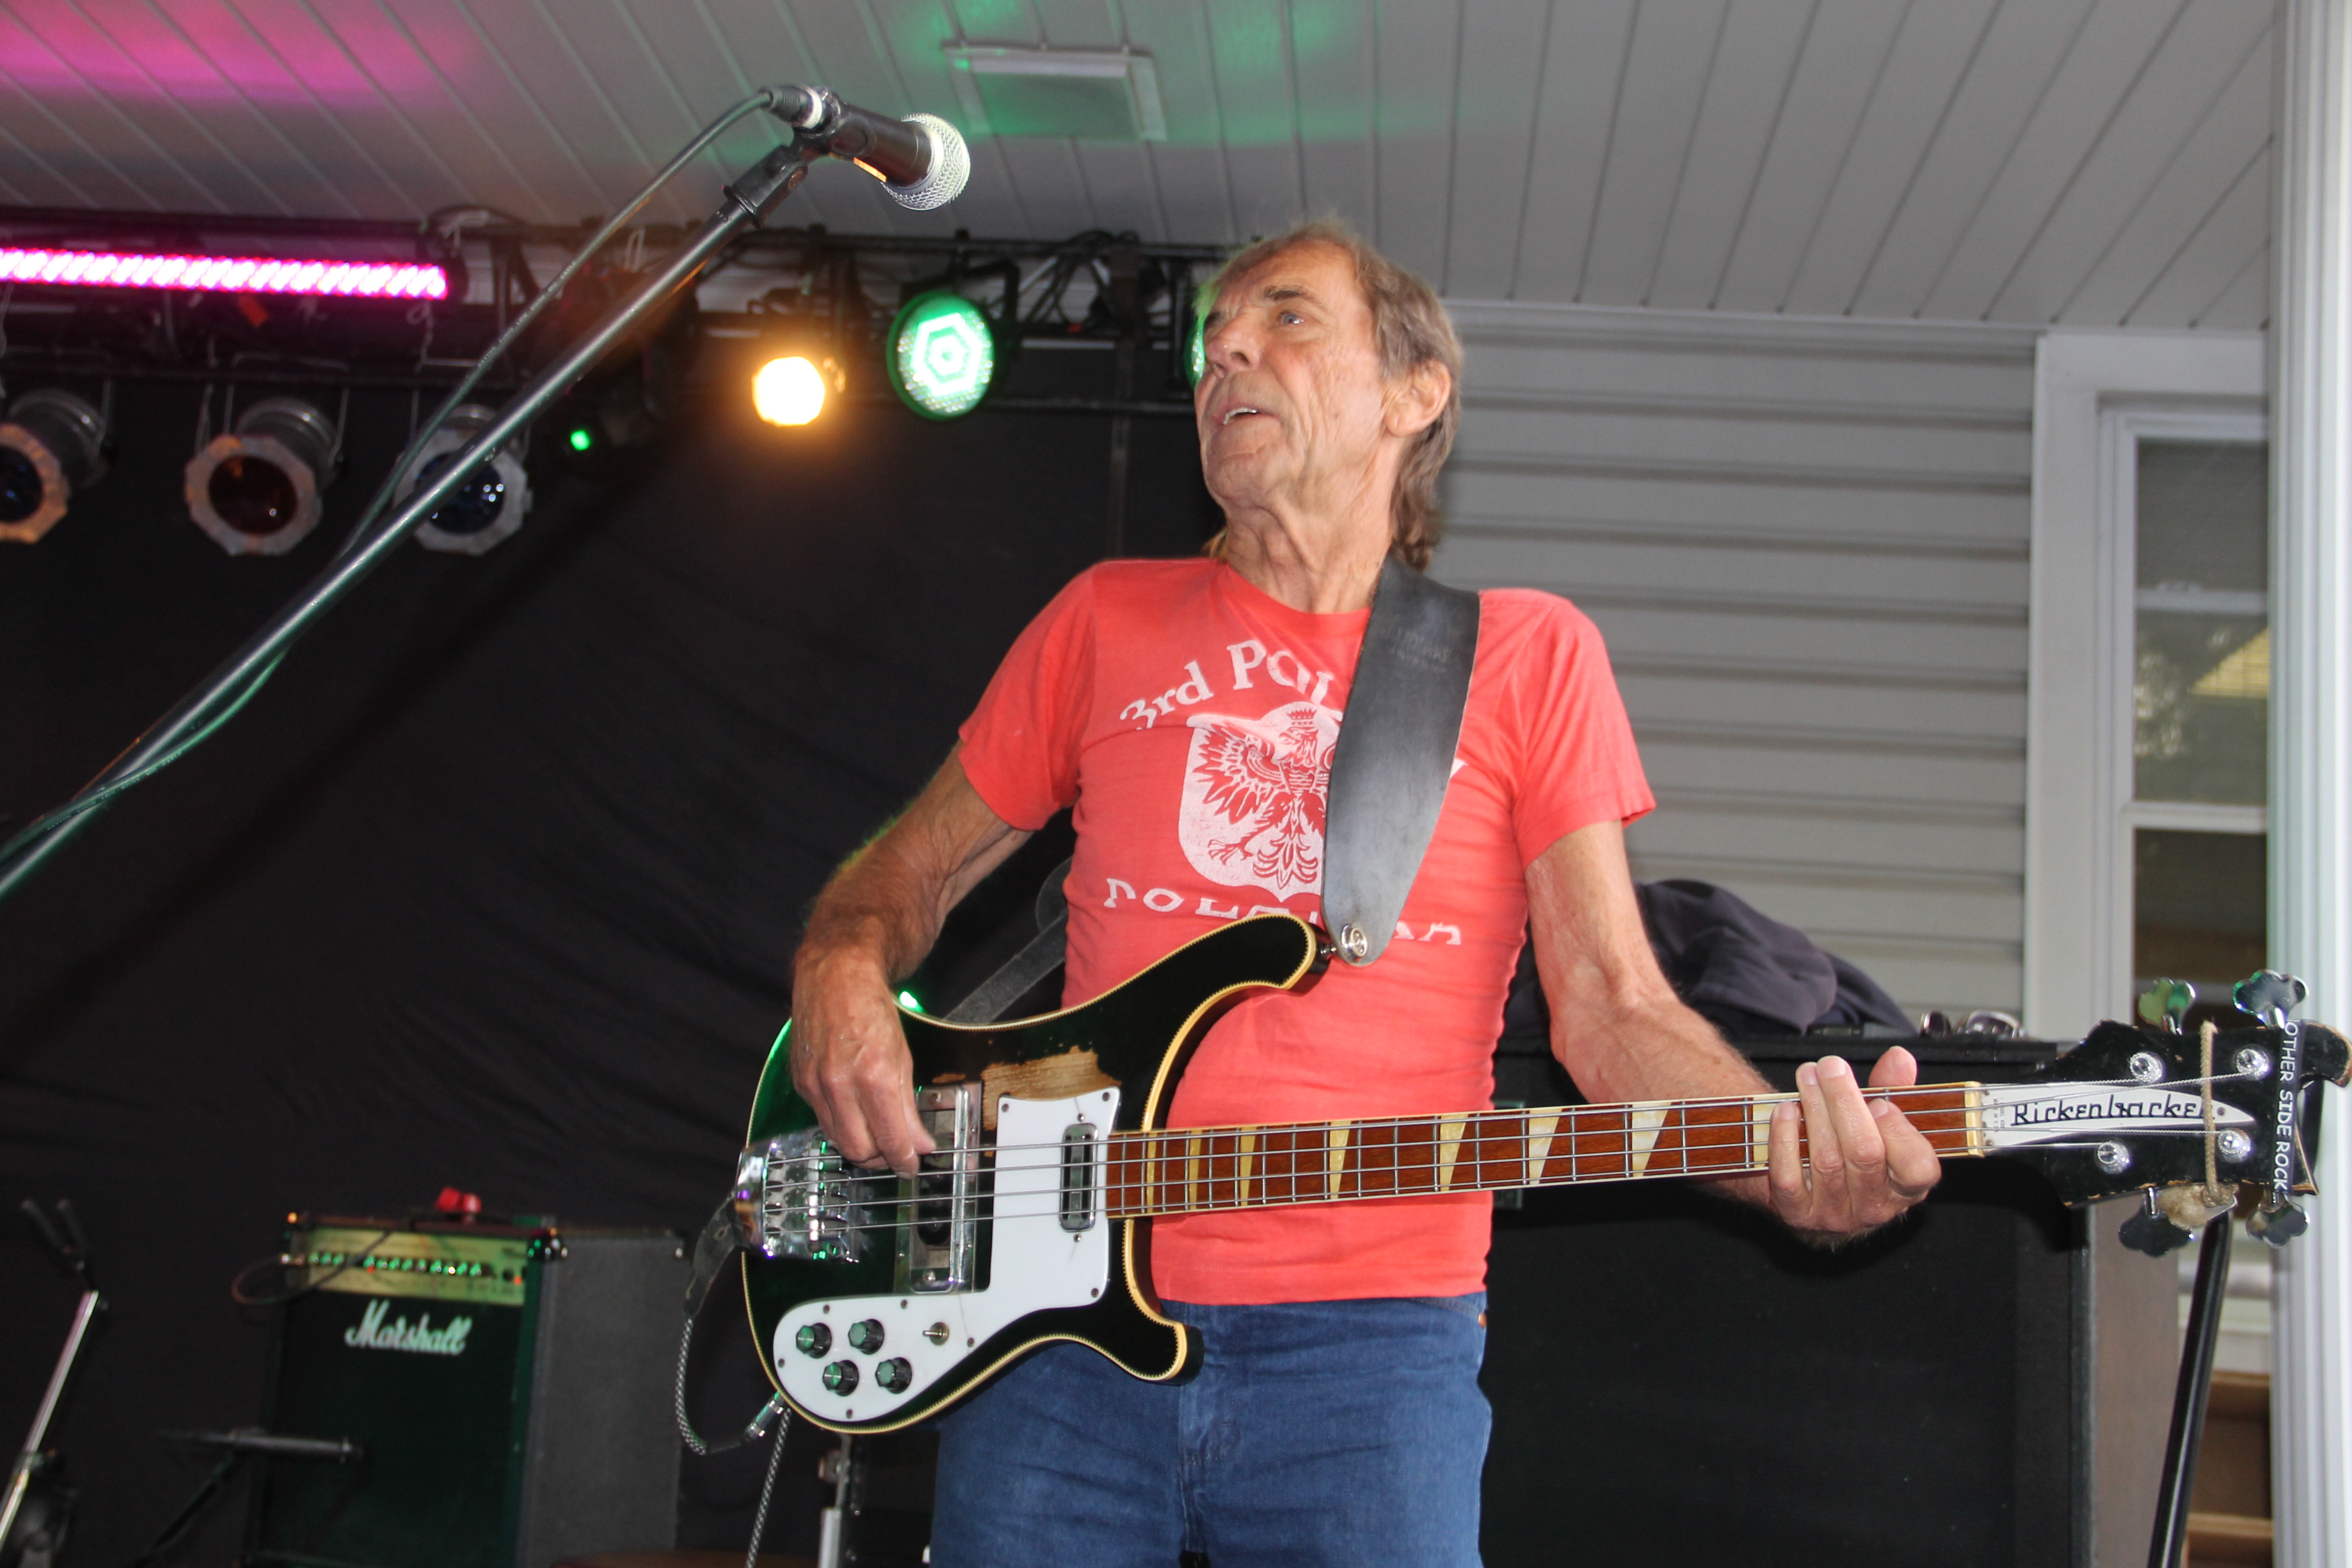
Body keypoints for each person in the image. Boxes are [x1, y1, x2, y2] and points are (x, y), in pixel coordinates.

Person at [787, 220, 1942, 1567]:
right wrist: (840, 967)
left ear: (1414, 392)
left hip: (1373, 1353)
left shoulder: (1527, 655)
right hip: (1056, 1333)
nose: (1227, 351)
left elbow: (1613, 1008)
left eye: (1285, 317)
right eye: (1214, 337)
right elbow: (908, 868)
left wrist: (1784, 1162)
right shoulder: (1103, 618)